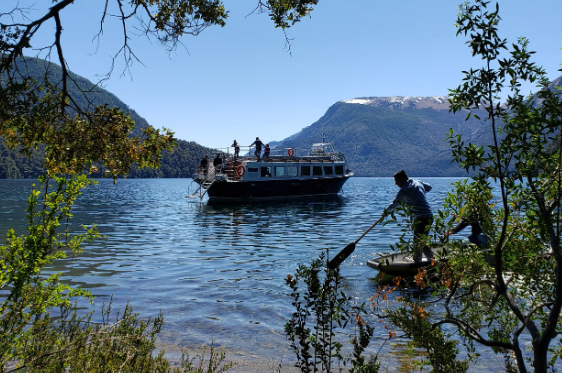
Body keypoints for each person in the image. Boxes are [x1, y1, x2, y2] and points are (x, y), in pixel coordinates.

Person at [382, 170, 433, 262]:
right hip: (429, 215)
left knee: (418, 242)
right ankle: (427, 260)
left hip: (421, 218)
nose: (395, 183)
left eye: (397, 181)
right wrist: (420, 194)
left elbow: (395, 204)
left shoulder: (404, 191)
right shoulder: (417, 182)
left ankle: (420, 262)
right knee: (420, 241)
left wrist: (386, 212)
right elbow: (429, 187)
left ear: (403, 179)